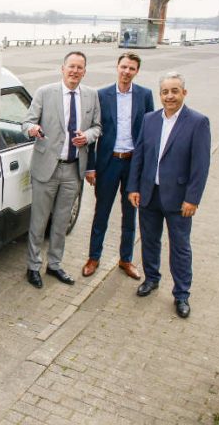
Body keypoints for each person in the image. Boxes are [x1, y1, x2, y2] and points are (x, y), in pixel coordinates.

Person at [127, 71, 211, 318]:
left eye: (175, 91)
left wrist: (192, 199)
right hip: (149, 195)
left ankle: (182, 294)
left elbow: (200, 165)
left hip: (179, 199)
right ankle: (151, 279)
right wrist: (133, 187)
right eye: (165, 91)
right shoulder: (150, 119)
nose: (169, 96)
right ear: (160, 94)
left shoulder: (198, 122)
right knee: (150, 241)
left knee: (180, 247)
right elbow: (139, 155)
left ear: (184, 93)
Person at [21, 51, 102, 288]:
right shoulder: (45, 93)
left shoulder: (91, 96)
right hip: (47, 168)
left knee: (61, 223)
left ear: (84, 71)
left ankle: (54, 265)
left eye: (80, 68)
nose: (75, 71)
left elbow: (98, 127)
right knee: (39, 221)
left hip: (73, 169)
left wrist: (87, 136)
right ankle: (33, 266)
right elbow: (26, 123)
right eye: (71, 67)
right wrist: (32, 129)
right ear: (62, 68)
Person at [82, 52, 154, 279]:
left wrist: (145, 170)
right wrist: (91, 167)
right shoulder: (101, 95)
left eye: (131, 68)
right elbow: (94, 132)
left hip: (133, 164)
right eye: (124, 67)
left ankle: (126, 259)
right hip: (108, 162)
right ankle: (94, 257)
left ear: (137, 71)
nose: (126, 72)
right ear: (117, 67)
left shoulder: (144, 95)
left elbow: (150, 133)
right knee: (101, 212)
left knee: (130, 214)